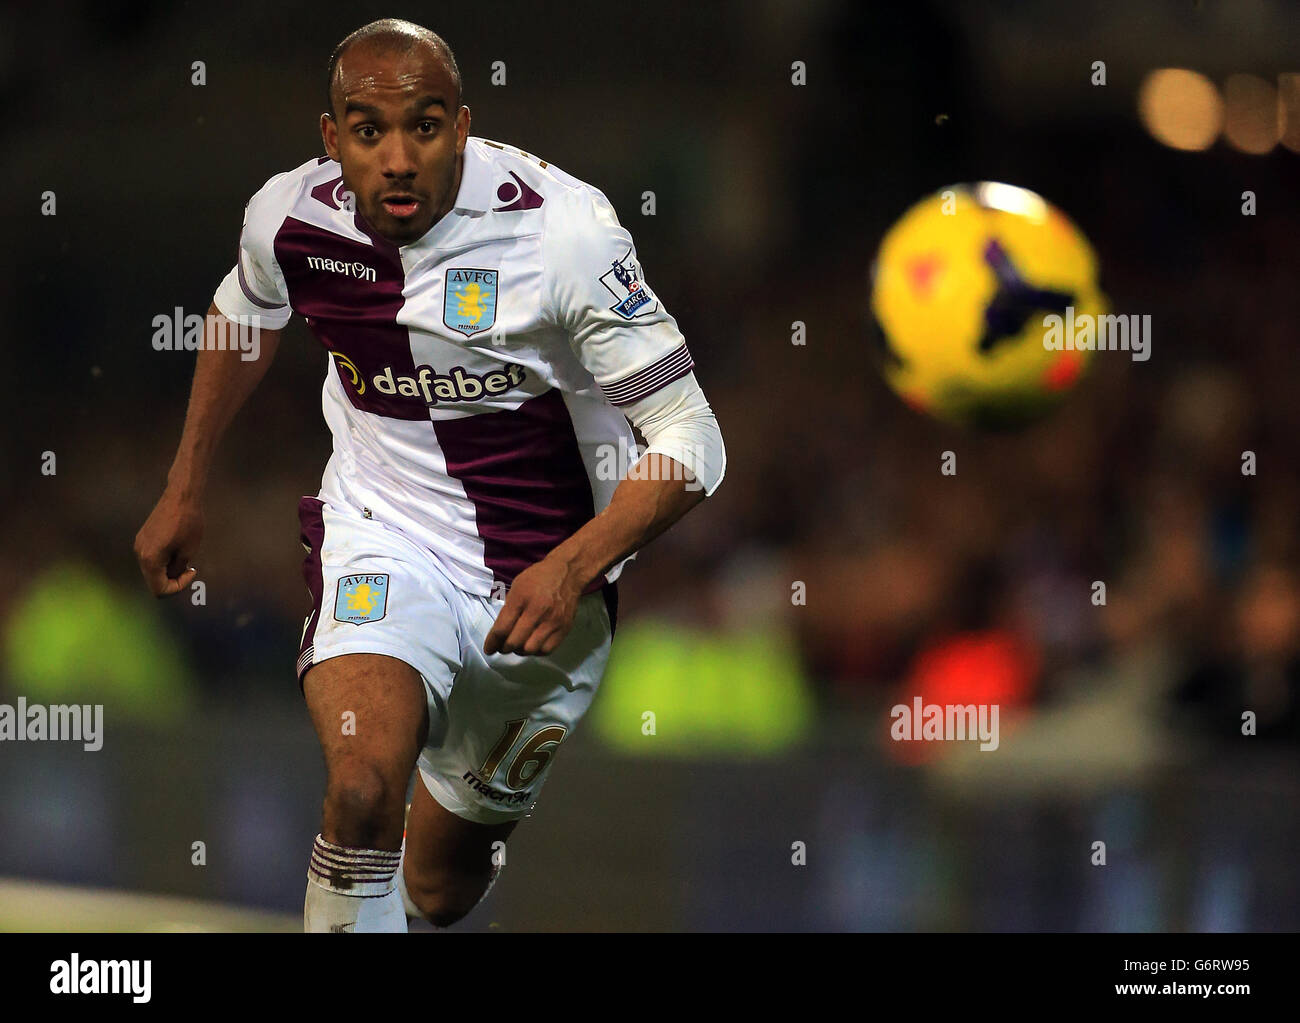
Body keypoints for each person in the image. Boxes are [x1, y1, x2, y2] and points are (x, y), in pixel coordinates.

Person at [133, 18, 725, 932]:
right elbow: (243, 312)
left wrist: (572, 565)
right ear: (334, 140)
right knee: (364, 785)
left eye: (426, 126)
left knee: (440, 888)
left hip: (545, 590)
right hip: (384, 530)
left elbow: (693, 438)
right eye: (369, 130)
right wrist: (184, 485)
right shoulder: (290, 218)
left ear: (463, 127)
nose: (399, 157)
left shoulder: (564, 234)